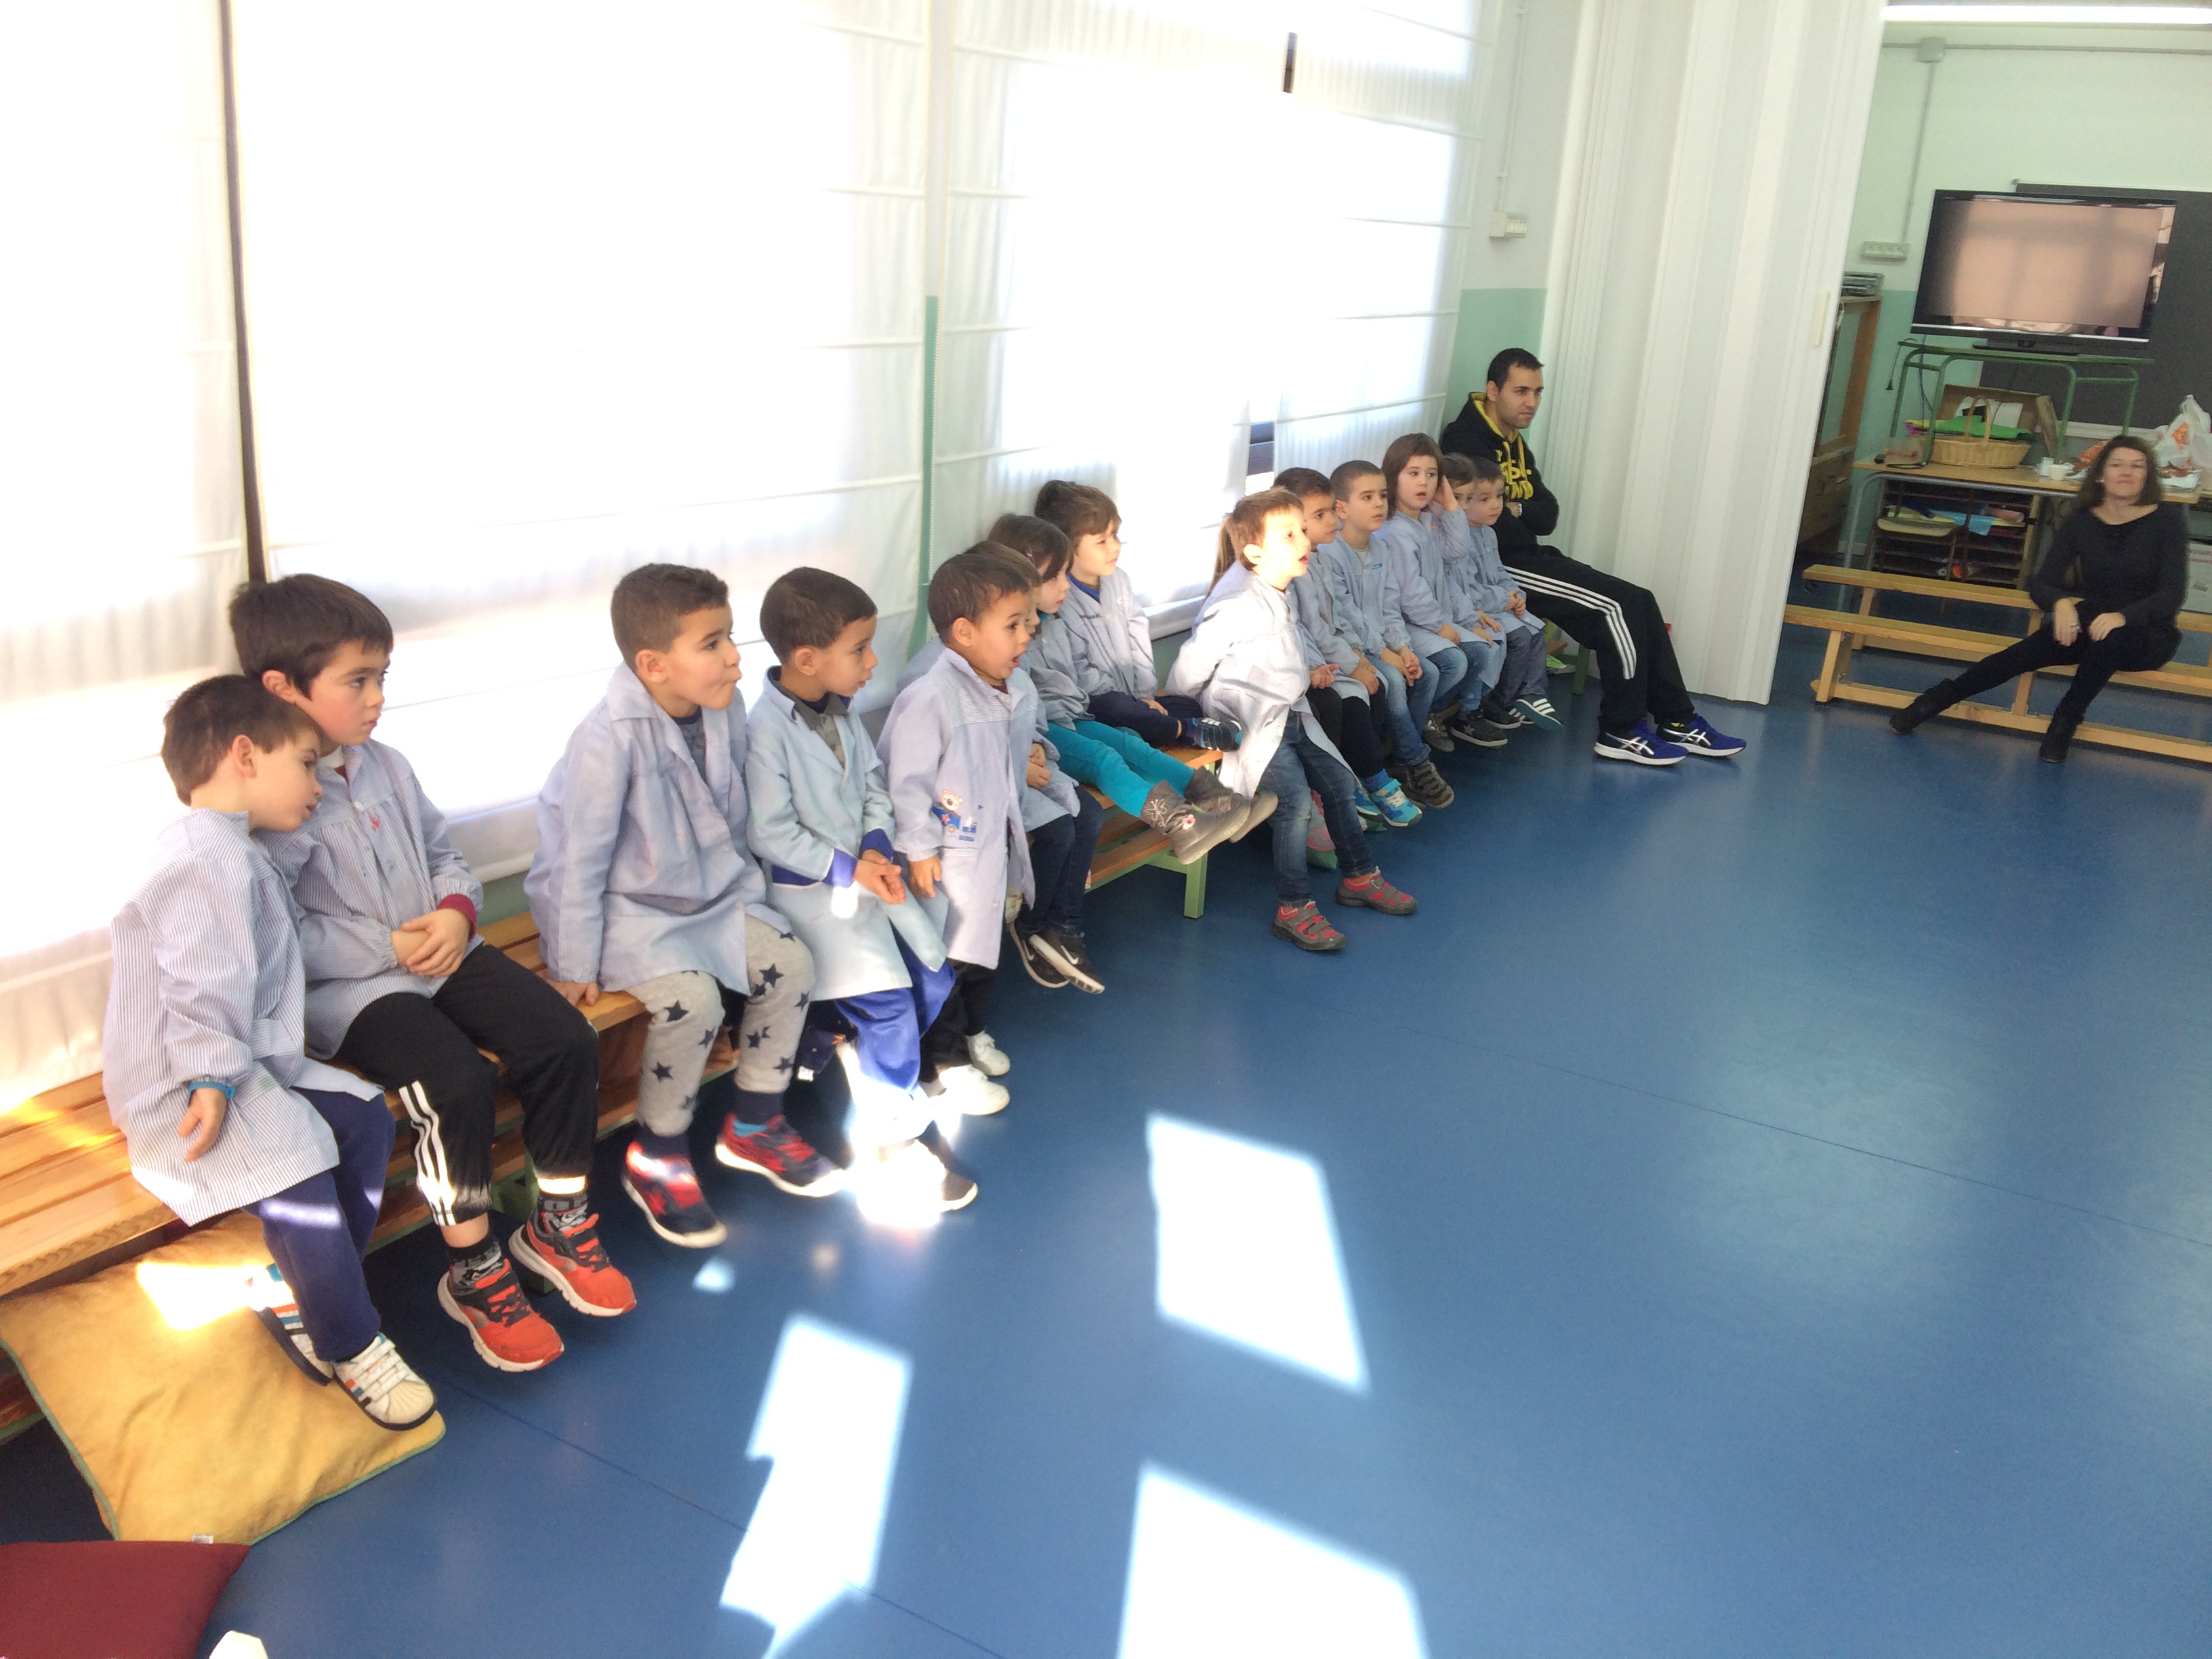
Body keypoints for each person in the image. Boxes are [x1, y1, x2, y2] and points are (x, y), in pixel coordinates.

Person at [239, 575, 632, 1376]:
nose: (378, 697)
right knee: (453, 1082)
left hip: (447, 954)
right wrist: (389, 945)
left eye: (381, 676)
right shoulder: (268, 801)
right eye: (358, 680)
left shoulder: (386, 765)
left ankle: (558, 1223)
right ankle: (474, 1270)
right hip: (353, 994)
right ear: (282, 687)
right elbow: (283, 932)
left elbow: (444, 852)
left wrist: (456, 912)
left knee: (562, 1037)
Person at [106, 677, 436, 1429]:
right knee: (294, 1160)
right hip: (186, 1076)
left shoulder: (232, 845)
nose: (317, 785)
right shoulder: (203, 855)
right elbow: (201, 978)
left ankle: (309, 1293)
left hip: (236, 1056)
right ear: (245, 755)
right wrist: (212, 1078)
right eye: (306, 764)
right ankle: (353, 1341)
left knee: (362, 1118)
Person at [527, 563, 836, 1254]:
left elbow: (734, 818)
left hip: (709, 893)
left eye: (729, 637)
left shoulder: (723, 708)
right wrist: (572, 963)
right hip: (627, 909)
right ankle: (657, 1156)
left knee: (791, 964)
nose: (734, 658)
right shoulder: (607, 738)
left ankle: (755, 1122)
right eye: (712, 643)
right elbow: (578, 861)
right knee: (692, 1003)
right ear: (653, 665)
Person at [745, 567, 984, 1212]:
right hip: (812, 899)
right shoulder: (763, 732)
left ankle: (836, 1035)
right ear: (806, 659)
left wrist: (876, 844)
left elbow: (874, 784)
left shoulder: (840, 712)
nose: (872, 662)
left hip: (866, 879)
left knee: (933, 978)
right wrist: (850, 868)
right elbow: (771, 833)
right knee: (888, 1010)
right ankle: (894, 1143)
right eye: (860, 650)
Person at [1441, 347, 1744, 765]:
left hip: (1529, 553)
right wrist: (1518, 515)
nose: (1531, 402)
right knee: (1616, 608)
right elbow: (1495, 528)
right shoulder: (1467, 442)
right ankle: (1621, 730)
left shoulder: (1513, 439)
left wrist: (1518, 509)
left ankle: (1678, 719)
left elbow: (1548, 514)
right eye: (1521, 391)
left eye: (1538, 392)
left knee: (1641, 599)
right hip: (1500, 567)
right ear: (1493, 391)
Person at [880, 546, 1094, 1124]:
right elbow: (905, 783)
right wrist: (919, 848)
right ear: (964, 633)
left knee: (982, 953)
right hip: (944, 861)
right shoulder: (931, 697)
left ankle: (972, 1032)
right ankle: (945, 1064)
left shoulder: (1005, 686)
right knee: (944, 961)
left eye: (1029, 622)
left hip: (988, 850)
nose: (1028, 634)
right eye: (1014, 625)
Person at [1168, 489, 1419, 952]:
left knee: (1340, 784)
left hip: (1288, 711)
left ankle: (1360, 878)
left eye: (1302, 530)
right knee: (1296, 802)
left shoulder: (1276, 587)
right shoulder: (1236, 601)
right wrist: (1181, 719)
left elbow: (1279, 654)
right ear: (1254, 552)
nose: (1304, 541)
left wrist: (1307, 672)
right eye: (1289, 535)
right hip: (1251, 725)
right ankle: (1293, 907)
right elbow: (1189, 668)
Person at [1889, 434, 2185, 762]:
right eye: (2117, 465)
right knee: (2021, 654)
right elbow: (2042, 582)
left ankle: (2064, 723)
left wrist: (2123, 617)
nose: (2126, 473)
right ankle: (1932, 702)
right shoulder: (2082, 520)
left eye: (2137, 466)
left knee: (2109, 642)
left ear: (2147, 476)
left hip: (2149, 630)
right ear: (2101, 474)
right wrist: (2060, 603)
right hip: (2091, 621)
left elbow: (2172, 594)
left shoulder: (2167, 521)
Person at [989, 510, 1261, 863]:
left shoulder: (1051, 621)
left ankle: (1222, 803)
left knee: (1131, 743)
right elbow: (1020, 708)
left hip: (1072, 717)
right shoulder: (1012, 641)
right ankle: (1182, 826)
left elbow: (1072, 681)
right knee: (1104, 758)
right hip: (1046, 733)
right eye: (1054, 577)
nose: (1066, 585)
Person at [1033, 480, 1244, 753]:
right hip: (1098, 702)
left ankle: (1146, 728)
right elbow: (1080, 672)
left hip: (1135, 698)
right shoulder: (1061, 599)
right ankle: (1183, 730)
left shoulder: (1118, 580)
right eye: (1101, 541)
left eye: (1115, 535)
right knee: (1115, 708)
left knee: (1187, 705)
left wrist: (1144, 696)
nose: (1115, 547)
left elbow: (1138, 636)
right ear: (1067, 548)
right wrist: (1134, 704)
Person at [1272, 468, 1422, 834]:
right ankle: (1365, 781)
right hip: (1306, 666)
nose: (1332, 521)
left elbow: (1341, 615)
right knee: (1352, 699)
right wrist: (1353, 665)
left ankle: (1365, 775)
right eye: (1320, 515)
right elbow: (1306, 631)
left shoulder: (1320, 559)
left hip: (1331, 657)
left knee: (1374, 687)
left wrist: (1359, 653)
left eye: (1329, 511)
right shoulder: (1294, 569)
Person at [1312, 460, 1456, 808]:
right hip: (1353, 647)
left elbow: (1389, 608)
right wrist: (1387, 654)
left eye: (1382, 495)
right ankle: (1415, 761)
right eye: (1367, 497)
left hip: (1380, 643)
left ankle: (1402, 758)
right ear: (1342, 508)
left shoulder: (1380, 548)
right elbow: (1348, 618)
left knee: (1427, 672)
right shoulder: (1331, 554)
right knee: (1391, 679)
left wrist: (1403, 648)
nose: (1379, 504)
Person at [1368, 433, 1509, 753]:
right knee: (1453, 663)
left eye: (1432, 475)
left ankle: (1426, 716)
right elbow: (1411, 593)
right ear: (1393, 477)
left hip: (1429, 620)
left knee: (1480, 651)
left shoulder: (1428, 521)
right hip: (1407, 624)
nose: (1424, 482)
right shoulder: (1395, 530)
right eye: (1413, 473)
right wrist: (1439, 626)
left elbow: (1456, 553)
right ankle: (1411, 740)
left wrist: (1450, 506)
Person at [1438, 451, 1562, 732]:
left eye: (1499, 496)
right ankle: (1497, 700)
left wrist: (1517, 596)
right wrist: (1505, 599)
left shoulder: (1489, 533)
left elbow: (1499, 573)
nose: (1496, 505)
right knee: (1518, 635)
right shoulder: (1459, 539)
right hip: (1478, 608)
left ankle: (1530, 694)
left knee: (1534, 627)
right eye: (1484, 499)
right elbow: (1467, 589)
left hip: (1497, 604)